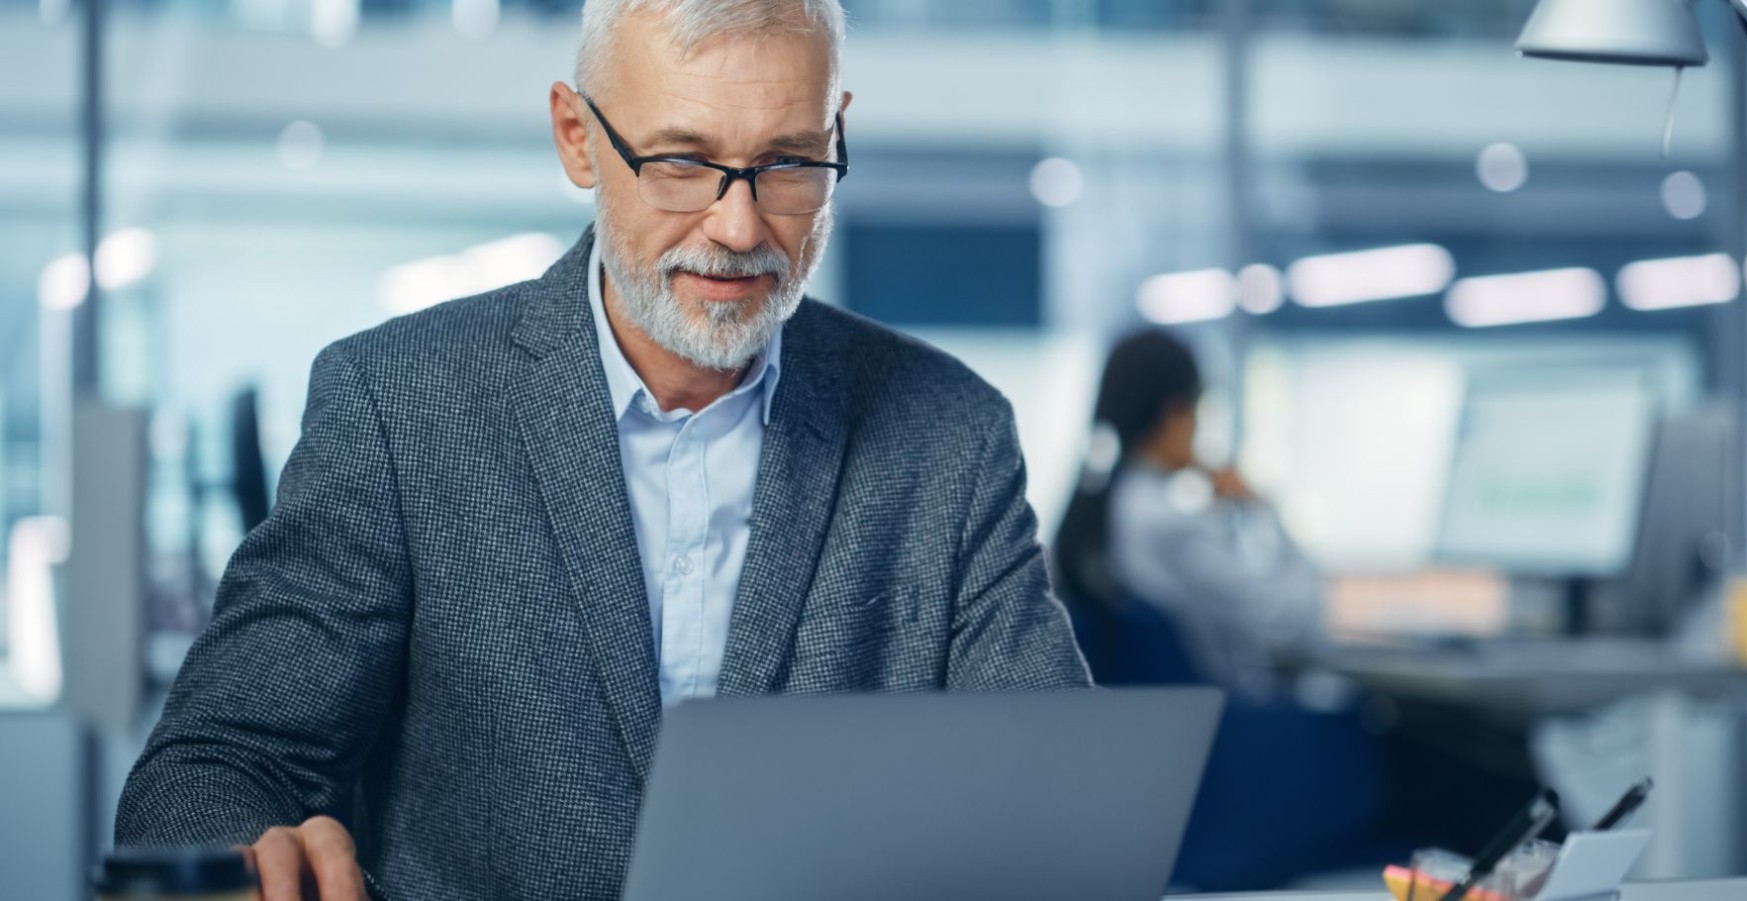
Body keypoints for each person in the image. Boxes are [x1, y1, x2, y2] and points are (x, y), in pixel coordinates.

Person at [113, 2, 1090, 898]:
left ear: (838, 135)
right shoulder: (401, 406)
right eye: (681, 162)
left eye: (788, 161)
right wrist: (250, 854)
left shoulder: (949, 435)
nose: (739, 225)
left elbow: (1057, 795)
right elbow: (207, 771)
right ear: (578, 138)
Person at [1053, 330, 1317, 699]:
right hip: (1232, 728)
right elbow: (1289, 625)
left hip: (1159, 725)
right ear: (1173, 413)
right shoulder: (1167, 524)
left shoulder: (1106, 511)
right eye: (1198, 411)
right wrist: (1263, 510)